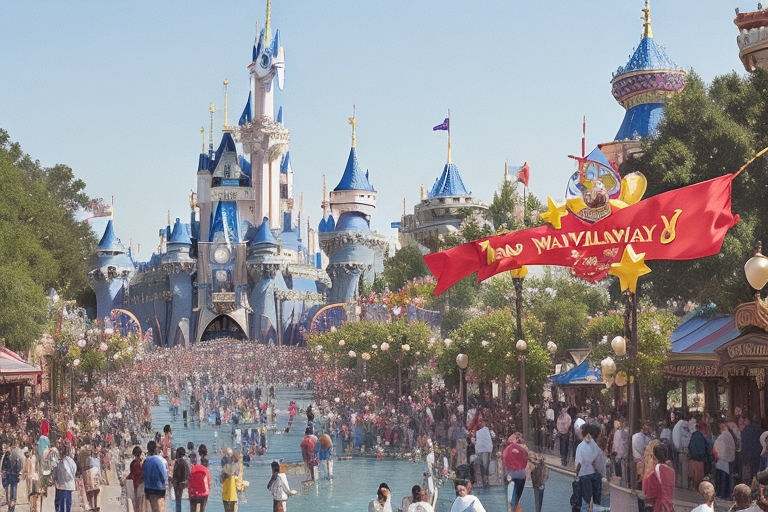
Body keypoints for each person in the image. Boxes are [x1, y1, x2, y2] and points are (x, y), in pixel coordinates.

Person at [575, 424, 602, 512]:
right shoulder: (586, 446)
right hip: (588, 475)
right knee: (590, 501)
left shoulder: (585, 446)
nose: (589, 436)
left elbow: (578, 463)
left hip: (589, 475)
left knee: (590, 501)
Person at [641, 443, 675, 512]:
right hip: (669, 503)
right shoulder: (671, 470)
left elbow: (648, 487)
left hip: (660, 503)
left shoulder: (658, 468)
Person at [502, 433, 528, 512]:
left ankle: (512, 507)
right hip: (521, 475)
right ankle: (515, 506)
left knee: (510, 497)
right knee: (517, 497)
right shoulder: (523, 449)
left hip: (510, 475)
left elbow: (504, 462)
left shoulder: (507, 449)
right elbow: (525, 461)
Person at [143, 440, 168, 512]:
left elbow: (144, 474)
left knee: (154, 508)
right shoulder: (161, 460)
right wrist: (165, 485)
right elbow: (164, 475)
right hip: (160, 488)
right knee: (160, 508)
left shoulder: (146, 461)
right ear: (155, 449)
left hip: (149, 489)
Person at [714, 421, 735, 500]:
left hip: (722, 460)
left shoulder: (723, 436)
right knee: (726, 478)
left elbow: (719, 446)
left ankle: (721, 494)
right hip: (727, 460)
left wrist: (719, 455)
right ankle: (725, 494)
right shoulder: (729, 435)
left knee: (722, 478)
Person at [52, 446, 77, 512]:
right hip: (67, 486)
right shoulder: (69, 460)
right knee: (66, 504)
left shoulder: (58, 461)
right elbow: (74, 469)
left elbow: (54, 473)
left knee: (60, 504)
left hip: (60, 486)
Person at [688, 420, 710, 491]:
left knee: (693, 473)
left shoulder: (693, 435)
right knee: (699, 474)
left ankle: (692, 486)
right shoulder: (703, 437)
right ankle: (697, 487)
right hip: (700, 458)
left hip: (692, 457)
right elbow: (708, 447)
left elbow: (689, 445)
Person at [188, 448, 211, 512]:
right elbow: (209, 483)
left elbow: (189, 481)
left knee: (193, 509)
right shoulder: (206, 470)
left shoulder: (192, 469)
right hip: (204, 493)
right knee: (202, 509)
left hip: (194, 494)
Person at [473, 420, 493, 488]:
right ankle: (484, 479)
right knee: (483, 464)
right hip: (482, 450)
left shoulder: (486, 430)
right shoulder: (478, 431)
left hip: (485, 450)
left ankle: (485, 479)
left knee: (485, 464)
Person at [126, 446, 144, 512]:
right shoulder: (143, 463)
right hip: (141, 484)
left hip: (135, 484)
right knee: (141, 503)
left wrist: (127, 478)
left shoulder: (133, 463)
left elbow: (132, 474)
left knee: (136, 503)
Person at [172, 447, 189, 512]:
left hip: (178, 484)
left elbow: (176, 473)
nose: (176, 454)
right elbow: (187, 473)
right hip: (181, 483)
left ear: (180, 454)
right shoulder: (184, 462)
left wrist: (175, 481)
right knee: (178, 501)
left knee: (178, 501)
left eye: (177, 452)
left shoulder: (178, 462)